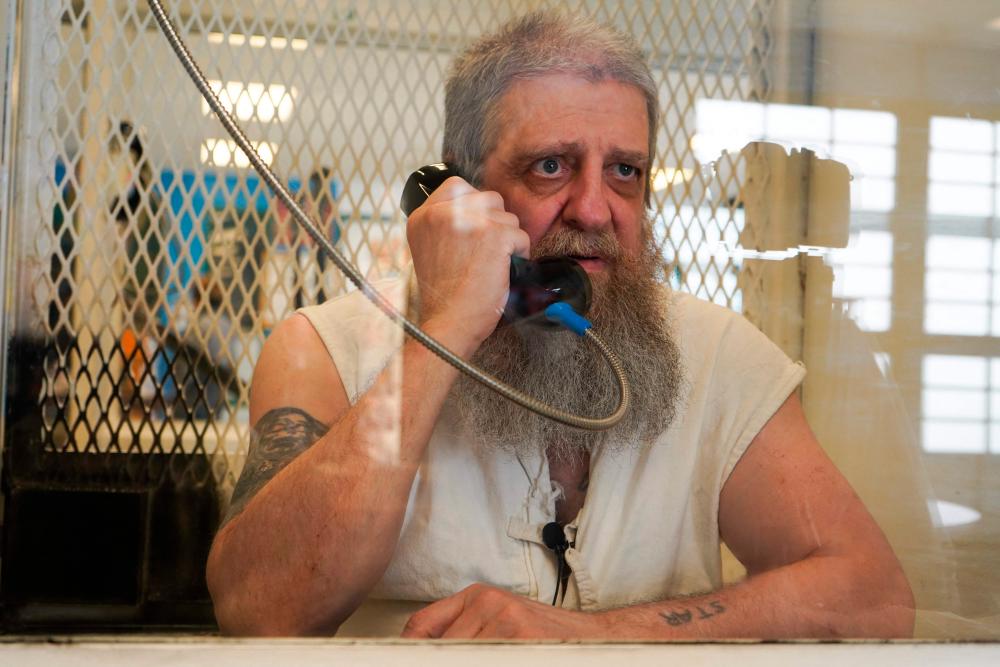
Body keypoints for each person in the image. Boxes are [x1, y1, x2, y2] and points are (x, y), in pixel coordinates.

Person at [205, 11, 914, 639]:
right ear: (458, 190)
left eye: (626, 172)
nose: (596, 209)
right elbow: (260, 607)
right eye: (552, 166)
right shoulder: (324, 349)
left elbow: (873, 595)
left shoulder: (717, 357)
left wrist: (594, 633)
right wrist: (446, 329)